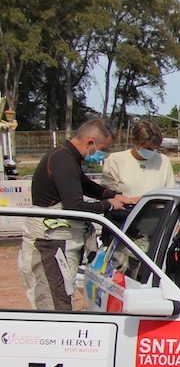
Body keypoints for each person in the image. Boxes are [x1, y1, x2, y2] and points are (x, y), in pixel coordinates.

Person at [20, 118, 132, 310]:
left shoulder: (67, 157)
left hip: (58, 243)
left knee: (63, 295)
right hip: (50, 245)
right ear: (90, 143)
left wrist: (117, 196)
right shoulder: (63, 160)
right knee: (56, 304)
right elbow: (76, 207)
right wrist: (109, 205)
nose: (102, 155)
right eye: (102, 149)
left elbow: (85, 185)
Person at [100, 119, 175, 198]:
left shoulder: (164, 161)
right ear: (133, 141)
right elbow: (108, 195)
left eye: (155, 148)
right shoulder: (115, 160)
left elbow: (170, 194)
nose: (152, 152)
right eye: (148, 148)